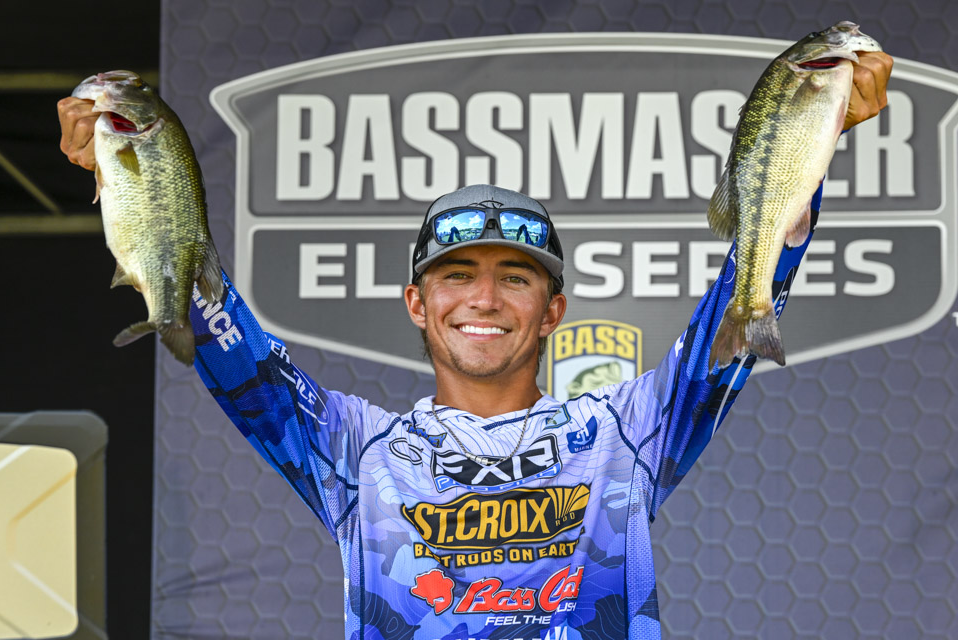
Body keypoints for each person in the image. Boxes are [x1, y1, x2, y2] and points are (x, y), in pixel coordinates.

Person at [58, 51, 892, 640]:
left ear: (554, 310)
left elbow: (739, 305)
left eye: (515, 278)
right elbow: (224, 341)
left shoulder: (623, 434)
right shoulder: (356, 451)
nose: (484, 299)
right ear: (418, 305)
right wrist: (126, 174)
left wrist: (811, 141)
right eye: (457, 276)